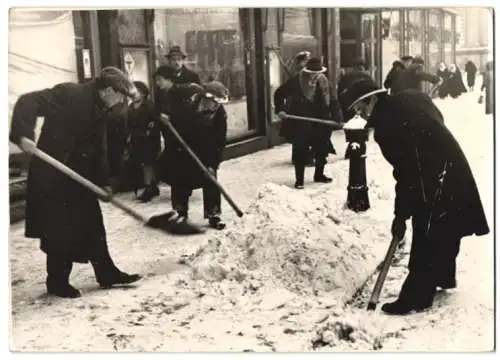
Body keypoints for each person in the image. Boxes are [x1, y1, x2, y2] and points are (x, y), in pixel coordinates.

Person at [338, 74, 489, 315]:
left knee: (426, 232)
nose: (360, 115)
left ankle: (417, 296)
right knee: (447, 227)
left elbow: (406, 174)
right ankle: (443, 277)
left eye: (360, 108)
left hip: (432, 179)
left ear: (371, 101)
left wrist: (401, 216)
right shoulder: (410, 97)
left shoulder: (386, 129)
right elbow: (436, 118)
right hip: (453, 166)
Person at [9, 67, 143, 298]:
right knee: (59, 228)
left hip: (79, 176)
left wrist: (105, 182)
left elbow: (98, 149)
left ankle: (106, 273)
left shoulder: (102, 109)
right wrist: (23, 135)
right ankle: (57, 282)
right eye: (121, 95)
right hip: (53, 174)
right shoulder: (70, 94)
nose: (122, 101)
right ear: (108, 90)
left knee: (92, 223)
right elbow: (28, 101)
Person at [157, 81, 228, 230]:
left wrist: (213, 164)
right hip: (182, 147)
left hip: (205, 150)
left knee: (210, 178)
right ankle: (180, 211)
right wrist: (165, 114)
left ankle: (213, 213)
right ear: (205, 98)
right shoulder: (187, 103)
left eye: (218, 104)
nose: (216, 107)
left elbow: (219, 143)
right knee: (180, 179)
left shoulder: (220, 115)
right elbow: (168, 95)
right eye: (214, 103)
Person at [275, 57, 343, 189]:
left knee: (322, 150)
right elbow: (279, 93)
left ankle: (319, 175)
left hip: (321, 122)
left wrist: (338, 118)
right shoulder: (296, 81)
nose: (314, 76)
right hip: (301, 123)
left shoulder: (325, 82)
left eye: (316, 74)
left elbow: (334, 101)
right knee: (300, 151)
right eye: (312, 74)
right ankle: (299, 180)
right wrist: (280, 109)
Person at [126, 81, 161, 202]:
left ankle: (149, 188)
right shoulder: (130, 107)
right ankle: (150, 186)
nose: (134, 94)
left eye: (137, 92)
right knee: (140, 163)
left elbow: (155, 122)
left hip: (148, 140)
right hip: (136, 139)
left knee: (148, 163)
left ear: (143, 93)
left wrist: (150, 131)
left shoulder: (149, 105)